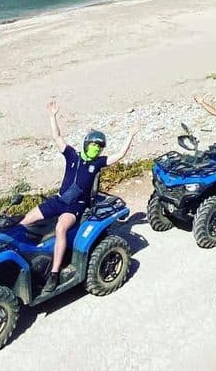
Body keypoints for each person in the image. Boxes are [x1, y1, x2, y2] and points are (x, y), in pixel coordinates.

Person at [20, 101, 139, 294]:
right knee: (26, 220)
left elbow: (119, 155)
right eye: (94, 146)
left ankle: (54, 273)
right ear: (86, 144)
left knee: (60, 228)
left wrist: (130, 136)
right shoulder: (72, 156)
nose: (97, 150)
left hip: (75, 207)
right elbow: (57, 137)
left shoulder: (98, 163)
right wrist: (53, 116)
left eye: (99, 148)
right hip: (59, 200)